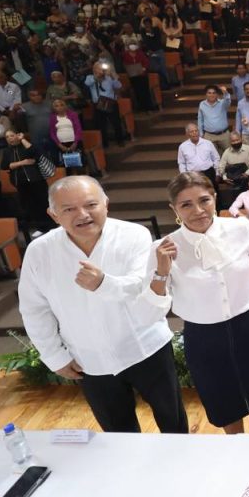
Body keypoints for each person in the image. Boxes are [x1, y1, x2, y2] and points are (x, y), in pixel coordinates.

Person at [18, 176, 188, 433]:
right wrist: (54, 356)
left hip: (146, 347)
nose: (83, 215)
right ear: (53, 215)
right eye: (69, 209)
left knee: (172, 421)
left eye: (91, 205)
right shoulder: (39, 251)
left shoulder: (134, 235)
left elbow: (142, 285)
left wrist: (103, 283)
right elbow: (34, 309)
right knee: (117, 433)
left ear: (106, 204)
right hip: (89, 359)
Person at [147, 172, 249, 433]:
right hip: (203, 334)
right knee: (221, 395)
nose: (198, 211)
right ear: (174, 209)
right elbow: (154, 308)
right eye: (186, 204)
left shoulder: (241, 229)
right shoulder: (164, 248)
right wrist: (161, 271)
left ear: (215, 198)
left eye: (204, 200)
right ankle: (236, 445)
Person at [1, 130, 51, 231]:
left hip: (36, 179)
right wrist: (22, 162)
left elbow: (35, 154)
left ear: (17, 135)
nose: (9, 138)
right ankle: (39, 227)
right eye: (7, 137)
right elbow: (4, 166)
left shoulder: (26, 145)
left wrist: (23, 139)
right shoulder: (7, 151)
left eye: (12, 135)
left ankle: (50, 226)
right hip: (20, 181)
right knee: (29, 205)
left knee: (43, 202)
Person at [176, 123, 220, 188]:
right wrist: (184, 176)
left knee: (212, 193)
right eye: (192, 131)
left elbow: (216, 158)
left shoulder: (208, 143)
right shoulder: (183, 147)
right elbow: (181, 163)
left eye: (196, 131)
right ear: (187, 134)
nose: (195, 133)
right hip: (193, 176)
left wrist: (217, 173)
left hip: (208, 173)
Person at [197, 85, 231, 153]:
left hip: (224, 135)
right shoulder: (202, 104)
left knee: (230, 154)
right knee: (211, 155)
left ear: (217, 94)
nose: (211, 95)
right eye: (209, 93)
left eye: (214, 93)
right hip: (209, 136)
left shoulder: (223, 103)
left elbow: (227, 100)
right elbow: (200, 120)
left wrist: (225, 92)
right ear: (206, 94)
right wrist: (201, 134)